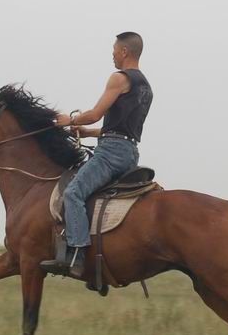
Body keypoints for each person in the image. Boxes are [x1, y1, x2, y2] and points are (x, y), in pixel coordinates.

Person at [40, 32, 153, 277]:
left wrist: (66, 121)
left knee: (73, 193)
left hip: (111, 154)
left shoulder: (119, 78)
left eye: (114, 50)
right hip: (129, 153)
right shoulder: (146, 87)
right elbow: (120, 127)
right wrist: (89, 133)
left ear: (124, 52)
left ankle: (77, 255)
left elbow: (95, 113)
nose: (112, 54)